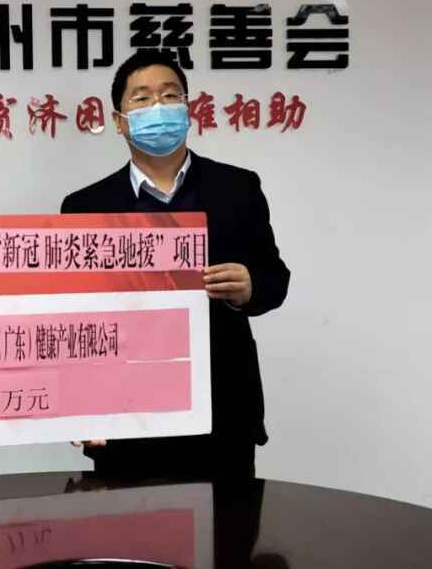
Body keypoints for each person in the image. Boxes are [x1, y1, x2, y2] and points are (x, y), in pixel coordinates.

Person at [61, 51, 290, 479]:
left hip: (222, 413)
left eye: (170, 96)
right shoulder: (85, 207)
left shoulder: (238, 188)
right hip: (126, 418)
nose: (158, 107)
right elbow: (74, 320)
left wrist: (250, 287)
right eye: (142, 98)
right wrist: (80, 404)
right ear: (119, 121)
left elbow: (275, 278)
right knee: (122, 524)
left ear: (188, 109)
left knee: (229, 523)